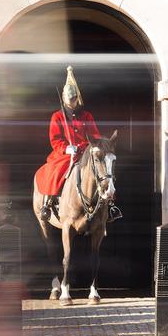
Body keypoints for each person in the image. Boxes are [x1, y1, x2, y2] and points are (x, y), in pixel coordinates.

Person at [35, 66, 123, 223]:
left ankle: (110, 205)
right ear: (64, 99)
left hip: (86, 151)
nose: (72, 103)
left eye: (74, 99)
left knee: (103, 169)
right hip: (65, 153)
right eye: (69, 100)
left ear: (77, 98)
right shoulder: (57, 116)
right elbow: (55, 139)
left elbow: (94, 134)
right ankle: (48, 203)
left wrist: (93, 145)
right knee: (55, 171)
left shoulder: (86, 115)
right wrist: (66, 148)